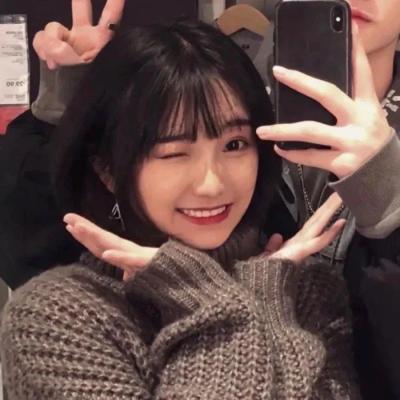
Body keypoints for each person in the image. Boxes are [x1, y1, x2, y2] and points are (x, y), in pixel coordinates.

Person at [0, 19, 360, 399]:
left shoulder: (307, 289)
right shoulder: (58, 316)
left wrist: (266, 292)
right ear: (108, 171)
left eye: (234, 145)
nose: (212, 184)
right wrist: (208, 299)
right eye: (173, 153)